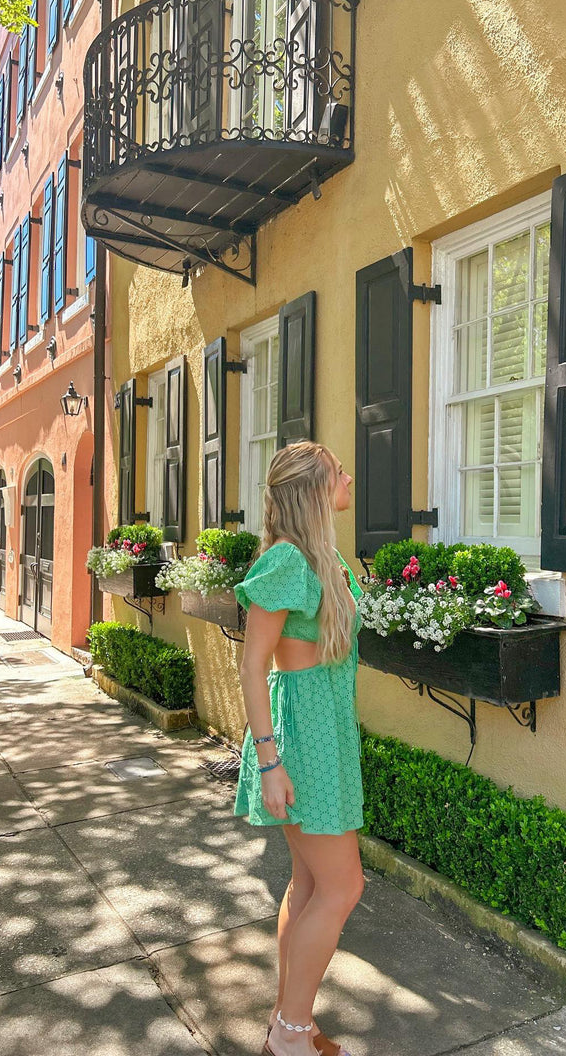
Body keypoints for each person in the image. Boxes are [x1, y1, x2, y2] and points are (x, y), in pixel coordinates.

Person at [234, 441, 364, 1056]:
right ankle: (289, 1033)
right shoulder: (287, 561)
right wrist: (268, 761)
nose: (349, 478)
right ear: (315, 490)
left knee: (310, 886)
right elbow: (253, 663)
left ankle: (293, 1024)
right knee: (343, 888)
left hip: (326, 730)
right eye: (338, 473)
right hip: (301, 739)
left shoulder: (322, 558)